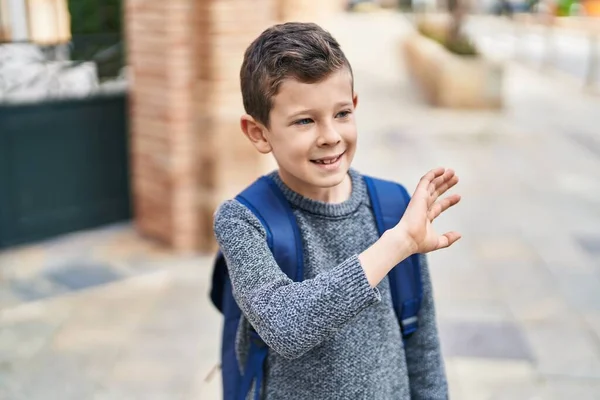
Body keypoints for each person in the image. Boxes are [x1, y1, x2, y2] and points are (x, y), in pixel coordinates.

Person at [213, 21, 461, 400]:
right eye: (305, 120)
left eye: (341, 114)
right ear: (259, 133)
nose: (330, 135)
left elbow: (422, 345)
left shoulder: (394, 206)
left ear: (355, 106)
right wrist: (396, 245)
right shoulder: (242, 220)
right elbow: (284, 326)